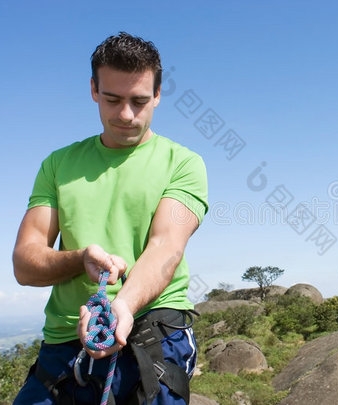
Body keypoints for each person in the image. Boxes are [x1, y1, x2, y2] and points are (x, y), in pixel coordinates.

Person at [12, 32, 208, 405]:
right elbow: (25, 263)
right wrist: (78, 258)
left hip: (152, 331)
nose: (125, 115)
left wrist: (123, 306)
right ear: (93, 90)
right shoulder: (57, 165)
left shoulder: (183, 163)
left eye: (139, 101)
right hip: (64, 341)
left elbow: (166, 247)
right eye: (112, 99)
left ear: (159, 95)